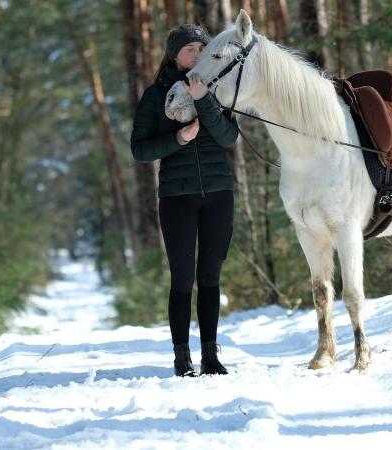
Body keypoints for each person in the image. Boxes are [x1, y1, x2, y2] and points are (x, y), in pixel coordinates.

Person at [130, 24, 238, 377]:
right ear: (174, 54)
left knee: (210, 275)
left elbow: (227, 138)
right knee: (181, 277)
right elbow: (139, 149)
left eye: (201, 47)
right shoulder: (155, 94)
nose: (196, 53)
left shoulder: (218, 89)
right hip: (177, 197)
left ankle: (210, 355)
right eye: (189, 48)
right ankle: (182, 357)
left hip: (218, 194)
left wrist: (203, 98)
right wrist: (177, 139)